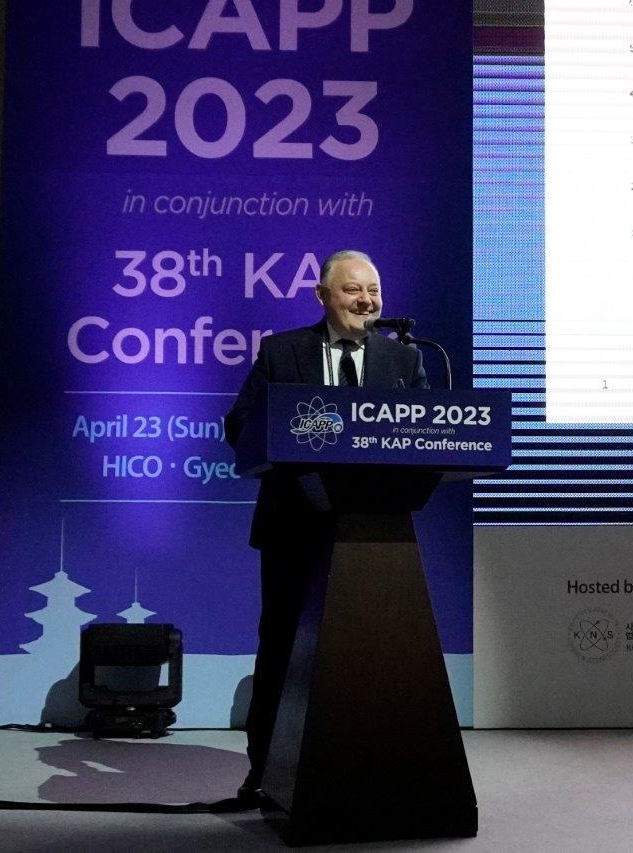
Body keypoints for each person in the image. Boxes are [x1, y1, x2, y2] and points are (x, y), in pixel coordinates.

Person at [223, 249, 428, 804]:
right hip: (294, 524)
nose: (366, 301)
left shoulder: (404, 360)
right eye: (353, 290)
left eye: (374, 290)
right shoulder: (282, 351)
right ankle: (265, 770)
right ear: (323, 296)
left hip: (375, 531)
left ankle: (372, 766)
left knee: (376, 651)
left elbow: (426, 431)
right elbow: (240, 423)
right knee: (283, 646)